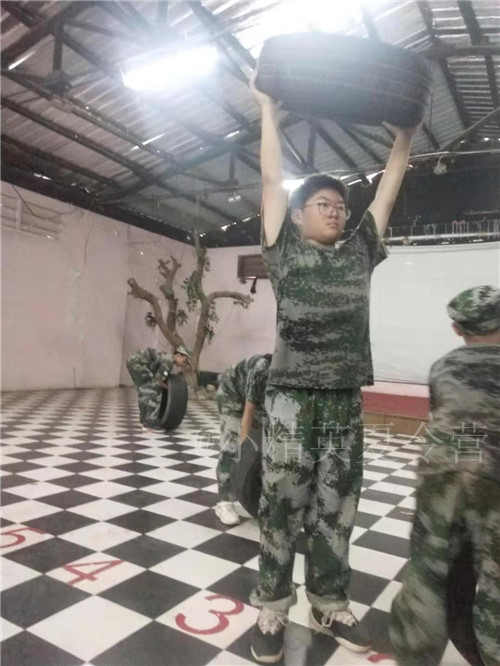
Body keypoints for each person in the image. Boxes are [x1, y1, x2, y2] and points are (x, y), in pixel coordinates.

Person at [249, 75, 419, 663]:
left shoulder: (358, 253)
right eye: (324, 206)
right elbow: (270, 181)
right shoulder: (285, 251)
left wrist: (403, 141)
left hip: (343, 399)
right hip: (291, 400)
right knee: (280, 505)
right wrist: (268, 113)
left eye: (341, 207)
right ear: (297, 216)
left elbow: (386, 196)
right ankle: (272, 607)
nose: (336, 213)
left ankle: (328, 601)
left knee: (337, 507)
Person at [390, 285, 500, 666]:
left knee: (427, 571)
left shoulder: (441, 367)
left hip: (442, 473)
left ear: (457, 329)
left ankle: (414, 654)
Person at [215, 354, 272, 525]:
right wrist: (244, 451)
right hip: (232, 392)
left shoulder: (299, 375)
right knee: (233, 445)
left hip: (259, 397)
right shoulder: (263, 369)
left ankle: (263, 492)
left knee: (268, 439)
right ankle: (224, 502)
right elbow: (248, 414)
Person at [126, 346, 191, 430]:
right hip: (138, 363)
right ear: (179, 355)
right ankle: (151, 422)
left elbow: (159, 375)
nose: (183, 364)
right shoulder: (169, 362)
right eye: (184, 361)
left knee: (144, 390)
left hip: (133, 361)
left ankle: (144, 419)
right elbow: (159, 378)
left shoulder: (166, 358)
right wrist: (167, 388)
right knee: (154, 391)